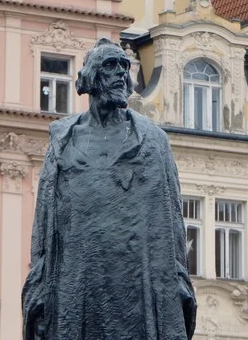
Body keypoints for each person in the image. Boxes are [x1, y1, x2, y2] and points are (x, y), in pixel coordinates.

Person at [22, 39, 197, 340]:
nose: (120, 73)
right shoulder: (64, 140)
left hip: (135, 279)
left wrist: (176, 278)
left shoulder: (153, 141)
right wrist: (40, 279)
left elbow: (170, 222)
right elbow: (45, 219)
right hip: (78, 279)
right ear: (90, 77)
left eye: (124, 66)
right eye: (110, 65)